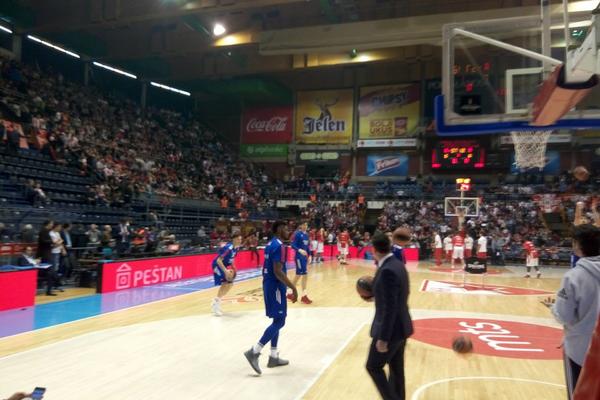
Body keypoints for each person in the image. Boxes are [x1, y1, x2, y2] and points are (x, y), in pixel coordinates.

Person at [547, 224, 600, 400]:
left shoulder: (574, 277)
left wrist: (553, 308)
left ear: (577, 244)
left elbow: (564, 315)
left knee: (578, 394)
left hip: (581, 349)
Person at [244, 221, 298, 375]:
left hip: (269, 284)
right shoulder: (280, 246)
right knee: (280, 321)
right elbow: (278, 271)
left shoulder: (270, 244)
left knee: (277, 320)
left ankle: (273, 356)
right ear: (279, 229)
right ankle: (254, 351)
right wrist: (293, 288)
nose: (288, 231)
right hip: (275, 285)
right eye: (286, 229)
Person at [366, 233, 413, 400]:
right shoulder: (397, 264)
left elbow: (390, 308)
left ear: (374, 250)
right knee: (396, 369)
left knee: (373, 366)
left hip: (390, 330)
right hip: (402, 327)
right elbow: (399, 294)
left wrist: (383, 338)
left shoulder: (386, 271)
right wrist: (376, 296)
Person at [210, 233, 242, 316]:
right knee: (226, 282)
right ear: (234, 239)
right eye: (238, 239)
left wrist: (234, 267)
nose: (240, 241)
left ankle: (216, 301)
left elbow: (232, 259)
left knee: (230, 284)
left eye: (241, 239)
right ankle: (215, 304)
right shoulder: (228, 248)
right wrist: (225, 271)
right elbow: (218, 260)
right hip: (217, 265)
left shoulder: (237, 248)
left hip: (224, 265)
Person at [288, 221, 312, 304]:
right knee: (304, 275)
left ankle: (289, 293)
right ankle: (303, 296)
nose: (305, 226)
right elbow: (292, 245)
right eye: (304, 224)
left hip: (304, 258)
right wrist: (299, 250)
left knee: (299, 275)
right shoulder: (297, 234)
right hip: (299, 257)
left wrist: (310, 255)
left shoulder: (306, 235)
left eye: (306, 224)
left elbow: (307, 247)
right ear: (300, 225)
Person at [37, 220, 57, 296]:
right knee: (49, 273)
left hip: (47, 254)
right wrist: (52, 241)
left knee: (50, 273)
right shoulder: (43, 231)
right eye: (51, 223)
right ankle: (48, 290)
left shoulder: (47, 231)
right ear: (48, 224)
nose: (52, 225)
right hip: (45, 255)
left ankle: (49, 290)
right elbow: (43, 241)